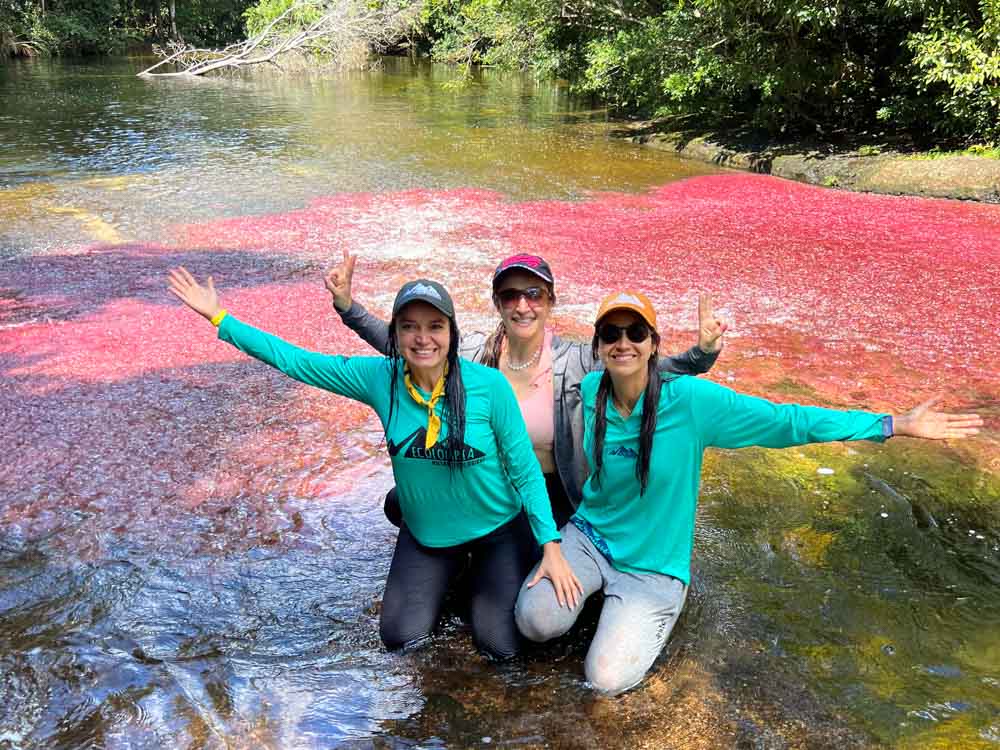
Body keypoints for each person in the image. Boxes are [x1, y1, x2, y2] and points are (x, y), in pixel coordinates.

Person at [514, 289, 984, 694]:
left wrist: (892, 424)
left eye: (635, 333)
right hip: (590, 540)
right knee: (535, 622)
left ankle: (642, 610)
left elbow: (787, 422)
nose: (623, 343)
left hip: (652, 567)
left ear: (653, 344)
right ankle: (596, 598)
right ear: (598, 345)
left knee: (606, 680)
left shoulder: (694, 404)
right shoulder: (592, 389)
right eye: (611, 334)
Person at [166, 267, 583, 661]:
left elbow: (526, 469)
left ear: (451, 334)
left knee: (500, 647)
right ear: (397, 335)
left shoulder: (488, 386)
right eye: (410, 327)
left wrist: (552, 547)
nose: (423, 339)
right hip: (429, 535)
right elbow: (296, 361)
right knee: (401, 638)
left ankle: (477, 578)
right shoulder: (380, 378)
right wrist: (220, 317)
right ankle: (455, 574)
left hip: (496, 530)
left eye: (435, 326)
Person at [325, 251, 726, 528]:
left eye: (533, 293)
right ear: (497, 303)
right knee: (401, 502)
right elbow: (409, 348)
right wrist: (348, 307)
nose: (522, 304)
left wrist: (701, 355)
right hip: (488, 485)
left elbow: (645, 366)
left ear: (550, 301)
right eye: (510, 295)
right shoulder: (474, 354)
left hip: (555, 494)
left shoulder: (577, 361)